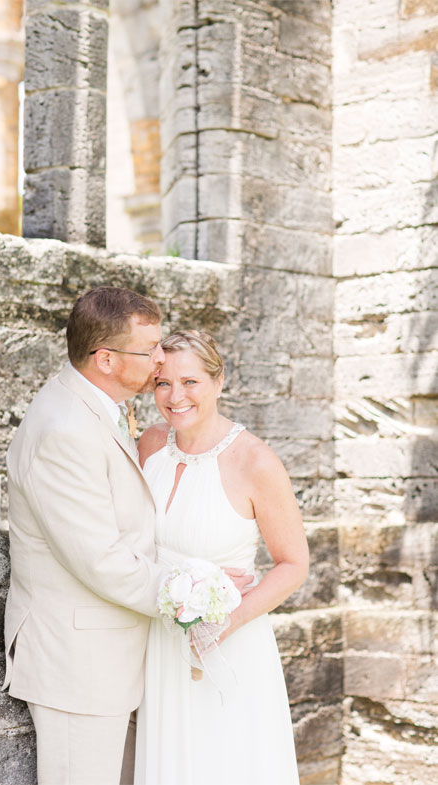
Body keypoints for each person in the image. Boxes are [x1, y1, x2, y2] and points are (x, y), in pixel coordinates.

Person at [3, 286, 171, 785]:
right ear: (106, 359)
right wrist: (190, 596)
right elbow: (100, 560)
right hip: (78, 666)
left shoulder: (94, 406)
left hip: (111, 658)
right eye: (150, 350)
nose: (161, 359)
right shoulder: (63, 429)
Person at [133, 330, 307, 784]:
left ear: (219, 380)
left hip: (228, 640)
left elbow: (293, 563)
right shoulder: (149, 445)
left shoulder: (255, 462)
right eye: (163, 383)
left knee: (224, 763)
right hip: (157, 638)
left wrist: (227, 622)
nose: (175, 396)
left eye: (190, 381)